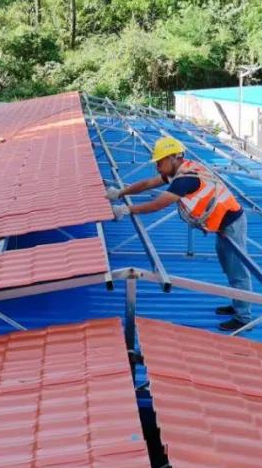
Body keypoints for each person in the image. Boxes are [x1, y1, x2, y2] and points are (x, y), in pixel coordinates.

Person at [108, 136, 252, 331]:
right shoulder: (180, 171)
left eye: (160, 162)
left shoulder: (185, 180)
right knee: (229, 267)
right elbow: (147, 183)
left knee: (237, 271)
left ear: (173, 158)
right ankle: (238, 303)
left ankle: (243, 317)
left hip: (232, 224)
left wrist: (126, 210)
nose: (158, 167)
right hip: (223, 224)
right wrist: (120, 193)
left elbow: (157, 204)